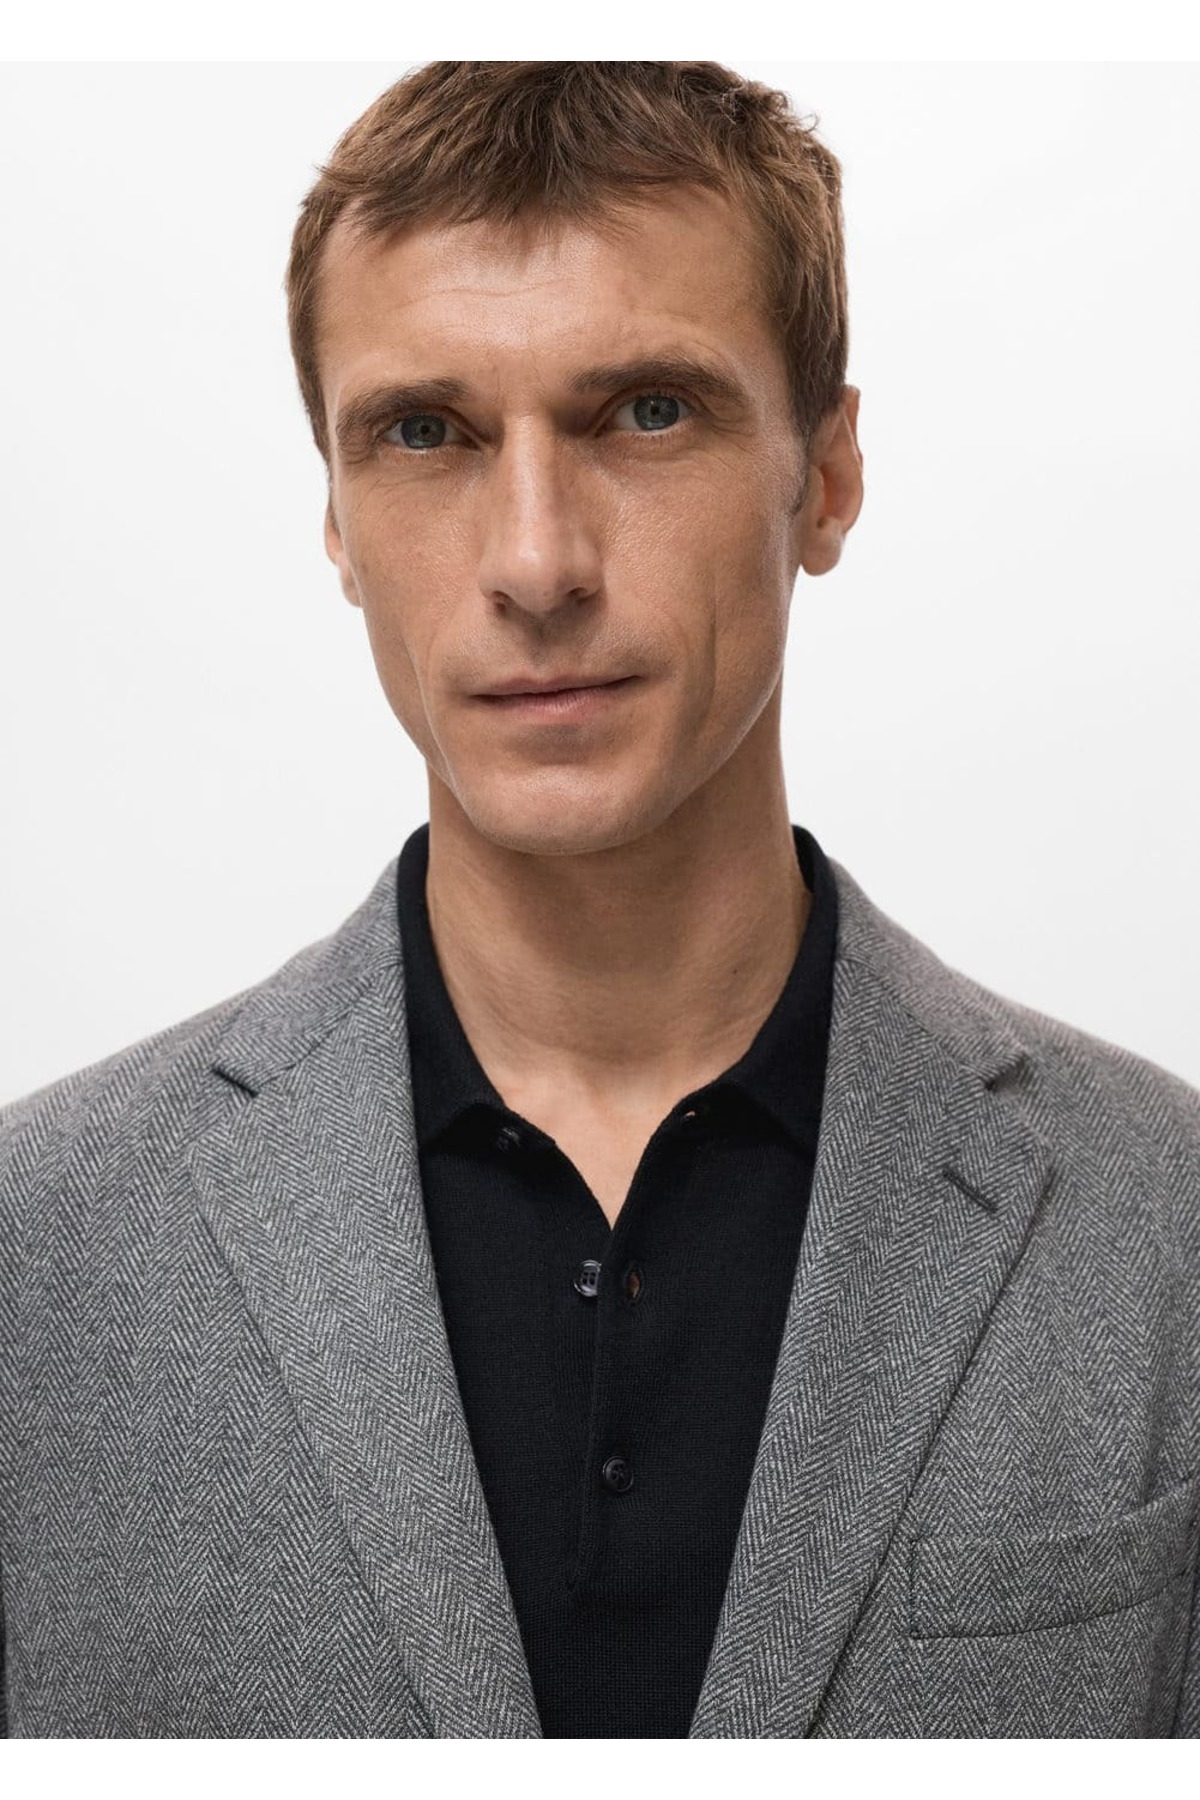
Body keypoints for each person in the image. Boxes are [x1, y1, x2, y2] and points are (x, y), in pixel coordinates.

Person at [1, 59, 1197, 1742]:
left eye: (646, 412)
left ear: (827, 476)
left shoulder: (1163, 1224)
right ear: (335, 516)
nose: (536, 561)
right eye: (425, 433)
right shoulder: (35, 1253)